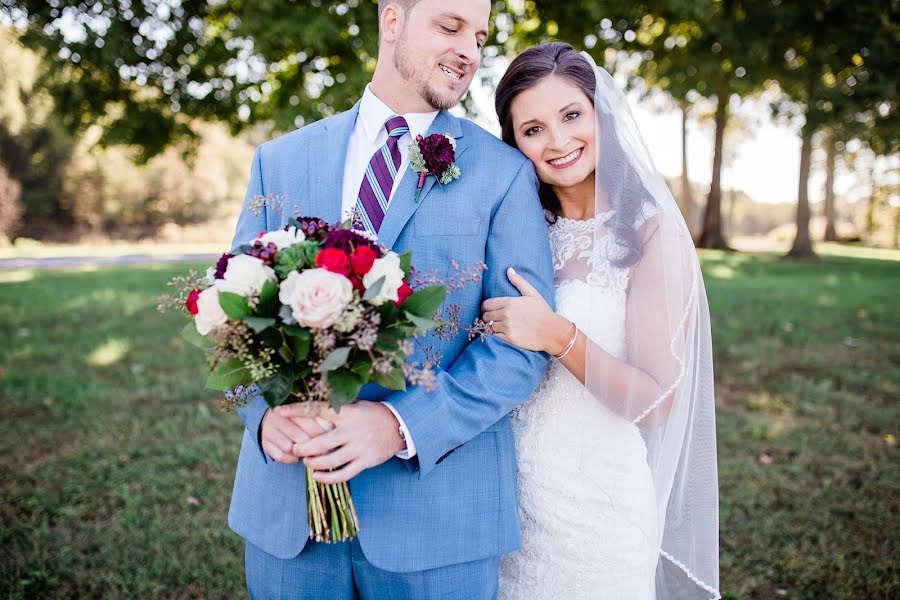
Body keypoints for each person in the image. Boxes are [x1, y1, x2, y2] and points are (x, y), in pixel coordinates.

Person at [226, 1, 555, 598]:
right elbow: (236, 310)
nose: (468, 50)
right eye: (450, 26)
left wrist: (399, 425)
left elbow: (521, 349)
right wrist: (265, 416)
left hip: (435, 523)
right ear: (392, 22)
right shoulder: (280, 159)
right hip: (288, 517)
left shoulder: (504, 174)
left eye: (479, 36)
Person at [488, 42, 720, 599]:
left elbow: (655, 402)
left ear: (602, 115)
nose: (559, 140)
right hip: (508, 505)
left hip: (597, 516)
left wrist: (557, 335)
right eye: (533, 129)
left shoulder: (650, 236)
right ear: (514, 142)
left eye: (572, 115)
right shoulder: (517, 231)